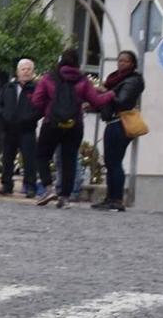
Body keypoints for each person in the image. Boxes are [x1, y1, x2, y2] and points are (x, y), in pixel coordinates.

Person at [30, 47, 111, 209]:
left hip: (51, 123)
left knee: (42, 155)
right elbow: (96, 101)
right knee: (69, 160)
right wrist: (111, 94)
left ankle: (48, 188)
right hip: (75, 125)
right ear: (77, 62)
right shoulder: (83, 80)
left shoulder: (49, 78)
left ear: (60, 60)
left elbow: (36, 101)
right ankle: (65, 198)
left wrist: (50, 108)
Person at [94, 50, 146, 212]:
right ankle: (110, 197)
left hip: (120, 123)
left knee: (115, 161)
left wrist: (105, 92)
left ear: (132, 64)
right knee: (110, 162)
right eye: (120, 60)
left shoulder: (133, 80)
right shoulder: (115, 78)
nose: (121, 63)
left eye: (125, 61)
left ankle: (116, 199)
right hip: (112, 121)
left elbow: (122, 101)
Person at [0, 58, 42, 199]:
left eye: (29, 69)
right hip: (9, 129)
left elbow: (41, 108)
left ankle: (30, 187)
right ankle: (6, 185)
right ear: (18, 71)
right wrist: (3, 115)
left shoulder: (36, 89)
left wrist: (30, 118)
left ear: (33, 72)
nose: (26, 72)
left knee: (29, 160)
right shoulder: (8, 87)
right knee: (7, 158)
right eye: (23, 69)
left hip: (27, 129)